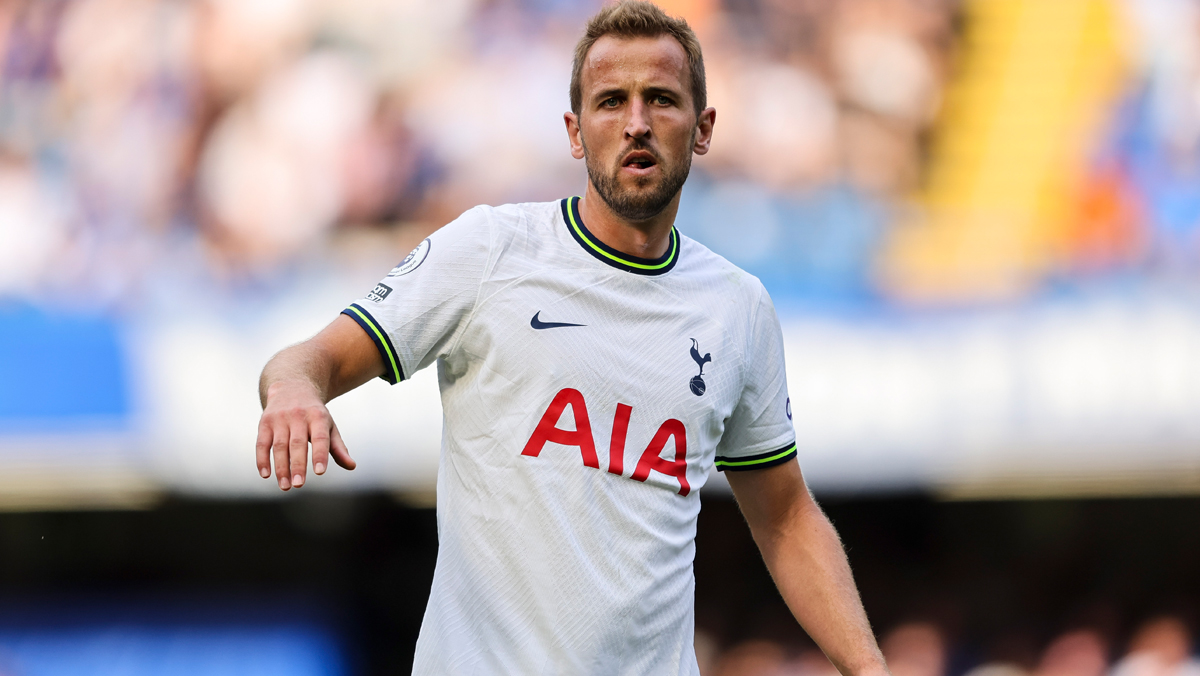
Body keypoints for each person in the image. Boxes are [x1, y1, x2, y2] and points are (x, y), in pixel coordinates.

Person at [255, 2, 890, 674]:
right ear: (575, 131)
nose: (636, 123)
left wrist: (871, 668)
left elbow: (785, 517)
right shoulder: (491, 251)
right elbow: (310, 359)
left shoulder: (738, 307)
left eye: (662, 100)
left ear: (703, 129)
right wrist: (296, 390)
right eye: (611, 101)